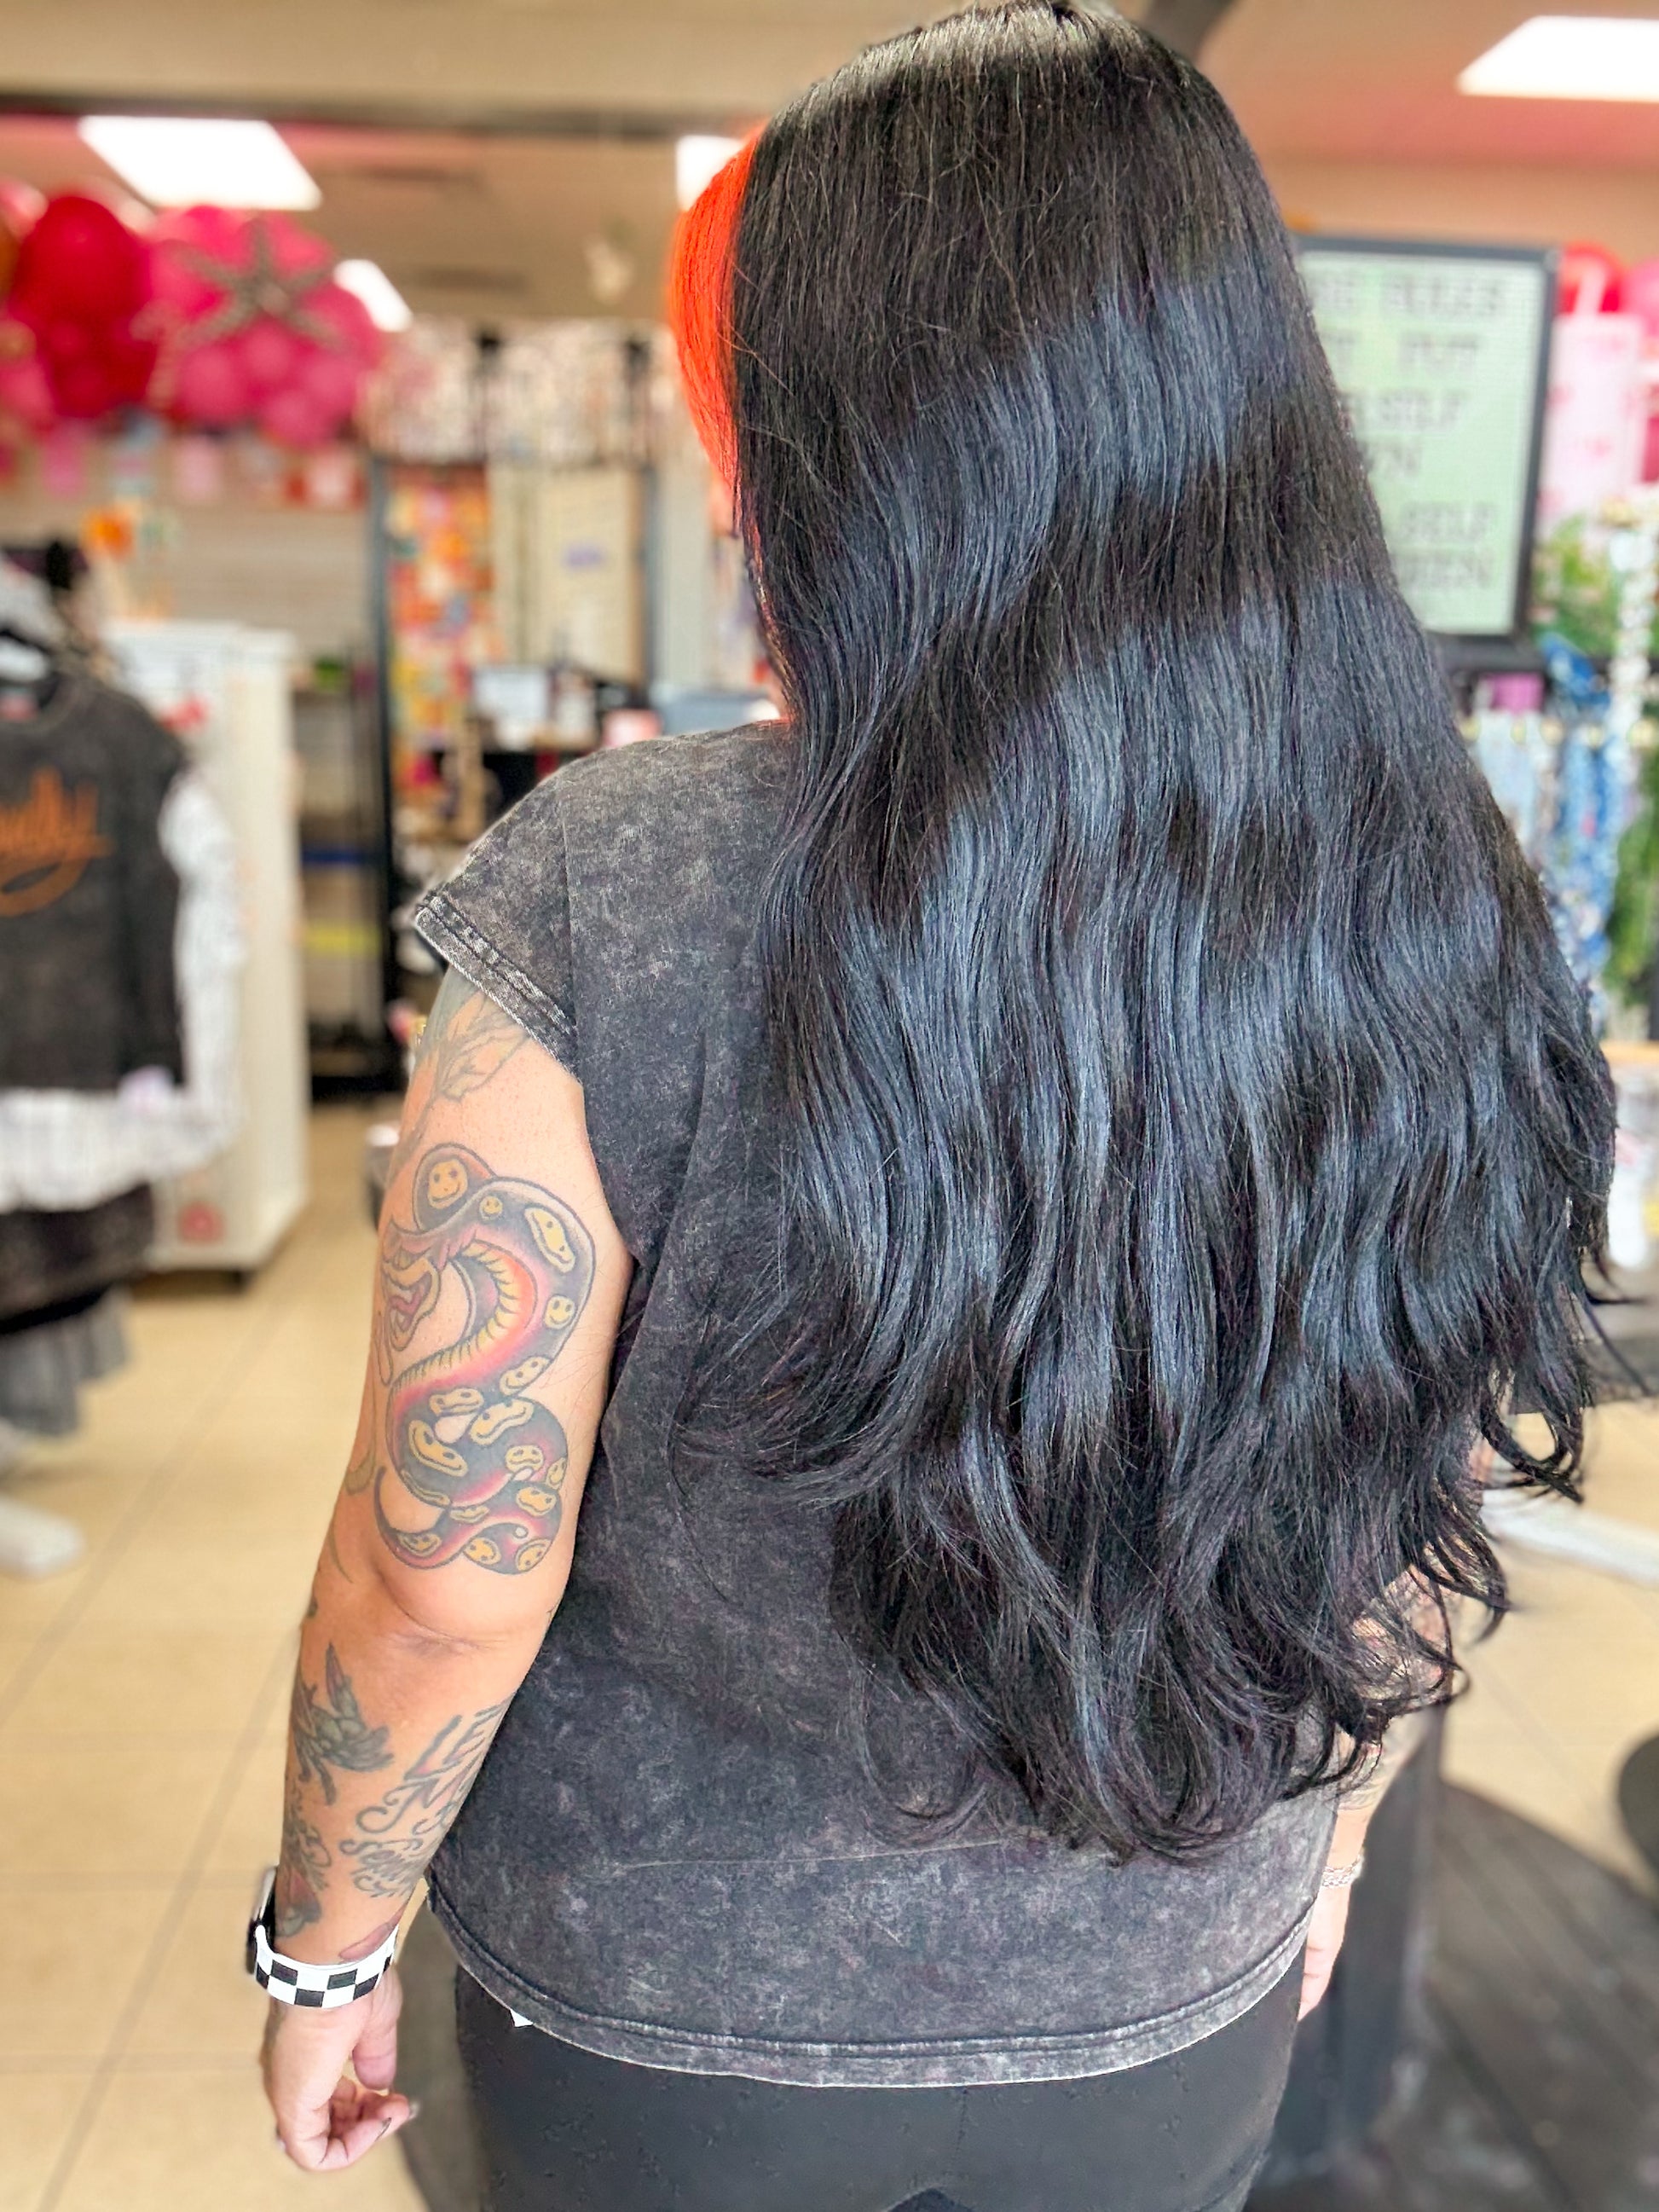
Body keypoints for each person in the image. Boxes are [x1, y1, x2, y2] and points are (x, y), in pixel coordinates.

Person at [257, 8, 1614, 2208]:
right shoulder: (1427, 871)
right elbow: (1418, 1457)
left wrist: (322, 1946)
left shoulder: (616, 878)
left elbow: (447, 1565)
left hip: (662, 2002)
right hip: (1172, 1965)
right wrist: (1333, 1842)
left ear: (822, 428)